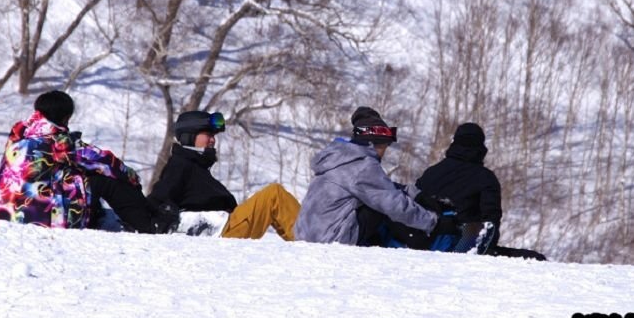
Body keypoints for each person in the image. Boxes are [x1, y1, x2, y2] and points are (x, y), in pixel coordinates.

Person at [0, 90, 161, 233]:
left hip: (2, 213)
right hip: (37, 216)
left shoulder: (19, 135)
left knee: (76, 176)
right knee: (104, 180)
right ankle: (148, 225)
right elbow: (103, 161)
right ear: (65, 118)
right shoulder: (55, 140)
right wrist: (130, 175)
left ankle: (100, 216)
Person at [294, 106, 439, 246]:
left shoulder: (340, 158)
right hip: (330, 241)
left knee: (375, 197)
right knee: (380, 206)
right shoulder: (363, 165)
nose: (384, 152)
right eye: (384, 146)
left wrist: (415, 193)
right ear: (373, 143)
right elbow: (394, 204)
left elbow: (383, 187)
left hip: (304, 236)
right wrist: (432, 222)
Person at [148, 110, 300, 240]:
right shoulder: (180, 164)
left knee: (274, 197)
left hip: (227, 226)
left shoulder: (197, 167)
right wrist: (164, 215)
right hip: (223, 231)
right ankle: (312, 240)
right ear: (190, 136)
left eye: (213, 135)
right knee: (274, 196)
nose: (213, 140)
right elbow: (157, 199)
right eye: (208, 134)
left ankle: (306, 240)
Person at [415, 122, 546, 260]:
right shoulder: (486, 178)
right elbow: (491, 220)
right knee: (535, 259)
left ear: (454, 143)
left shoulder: (431, 173)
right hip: (462, 243)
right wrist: (488, 248)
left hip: (425, 239)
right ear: (480, 147)